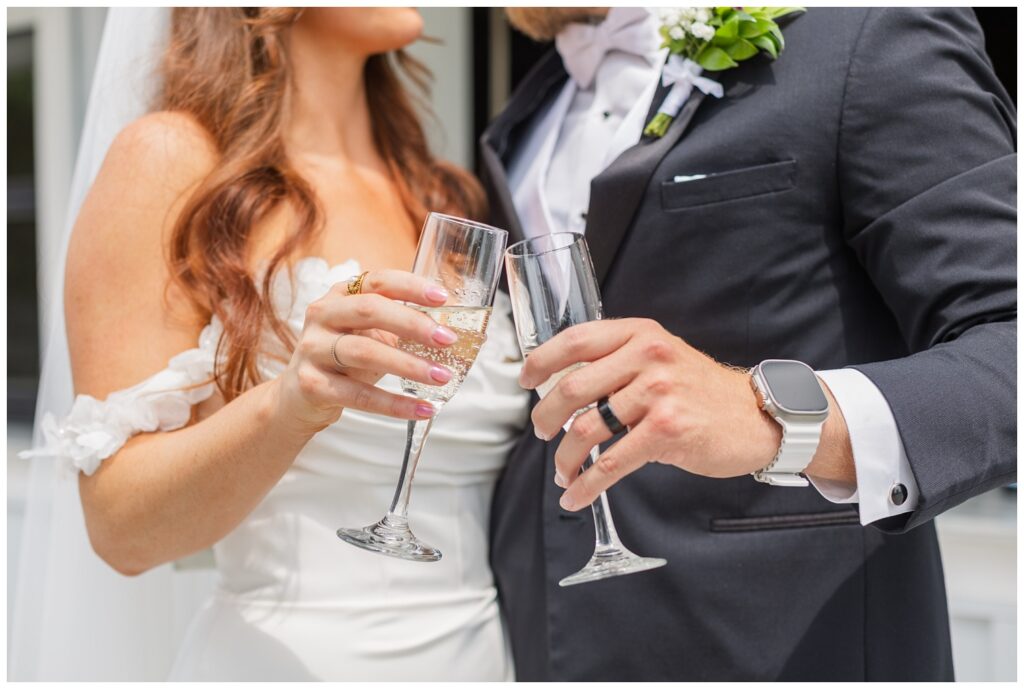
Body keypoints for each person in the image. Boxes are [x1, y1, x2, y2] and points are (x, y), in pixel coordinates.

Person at [483, 7, 1016, 681]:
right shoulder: (520, 122)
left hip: (787, 646)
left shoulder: (869, 33)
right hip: (536, 645)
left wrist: (771, 415)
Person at [16, 7, 528, 681]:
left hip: (482, 658)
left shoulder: (441, 192)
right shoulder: (172, 163)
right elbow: (120, 528)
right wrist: (290, 403)